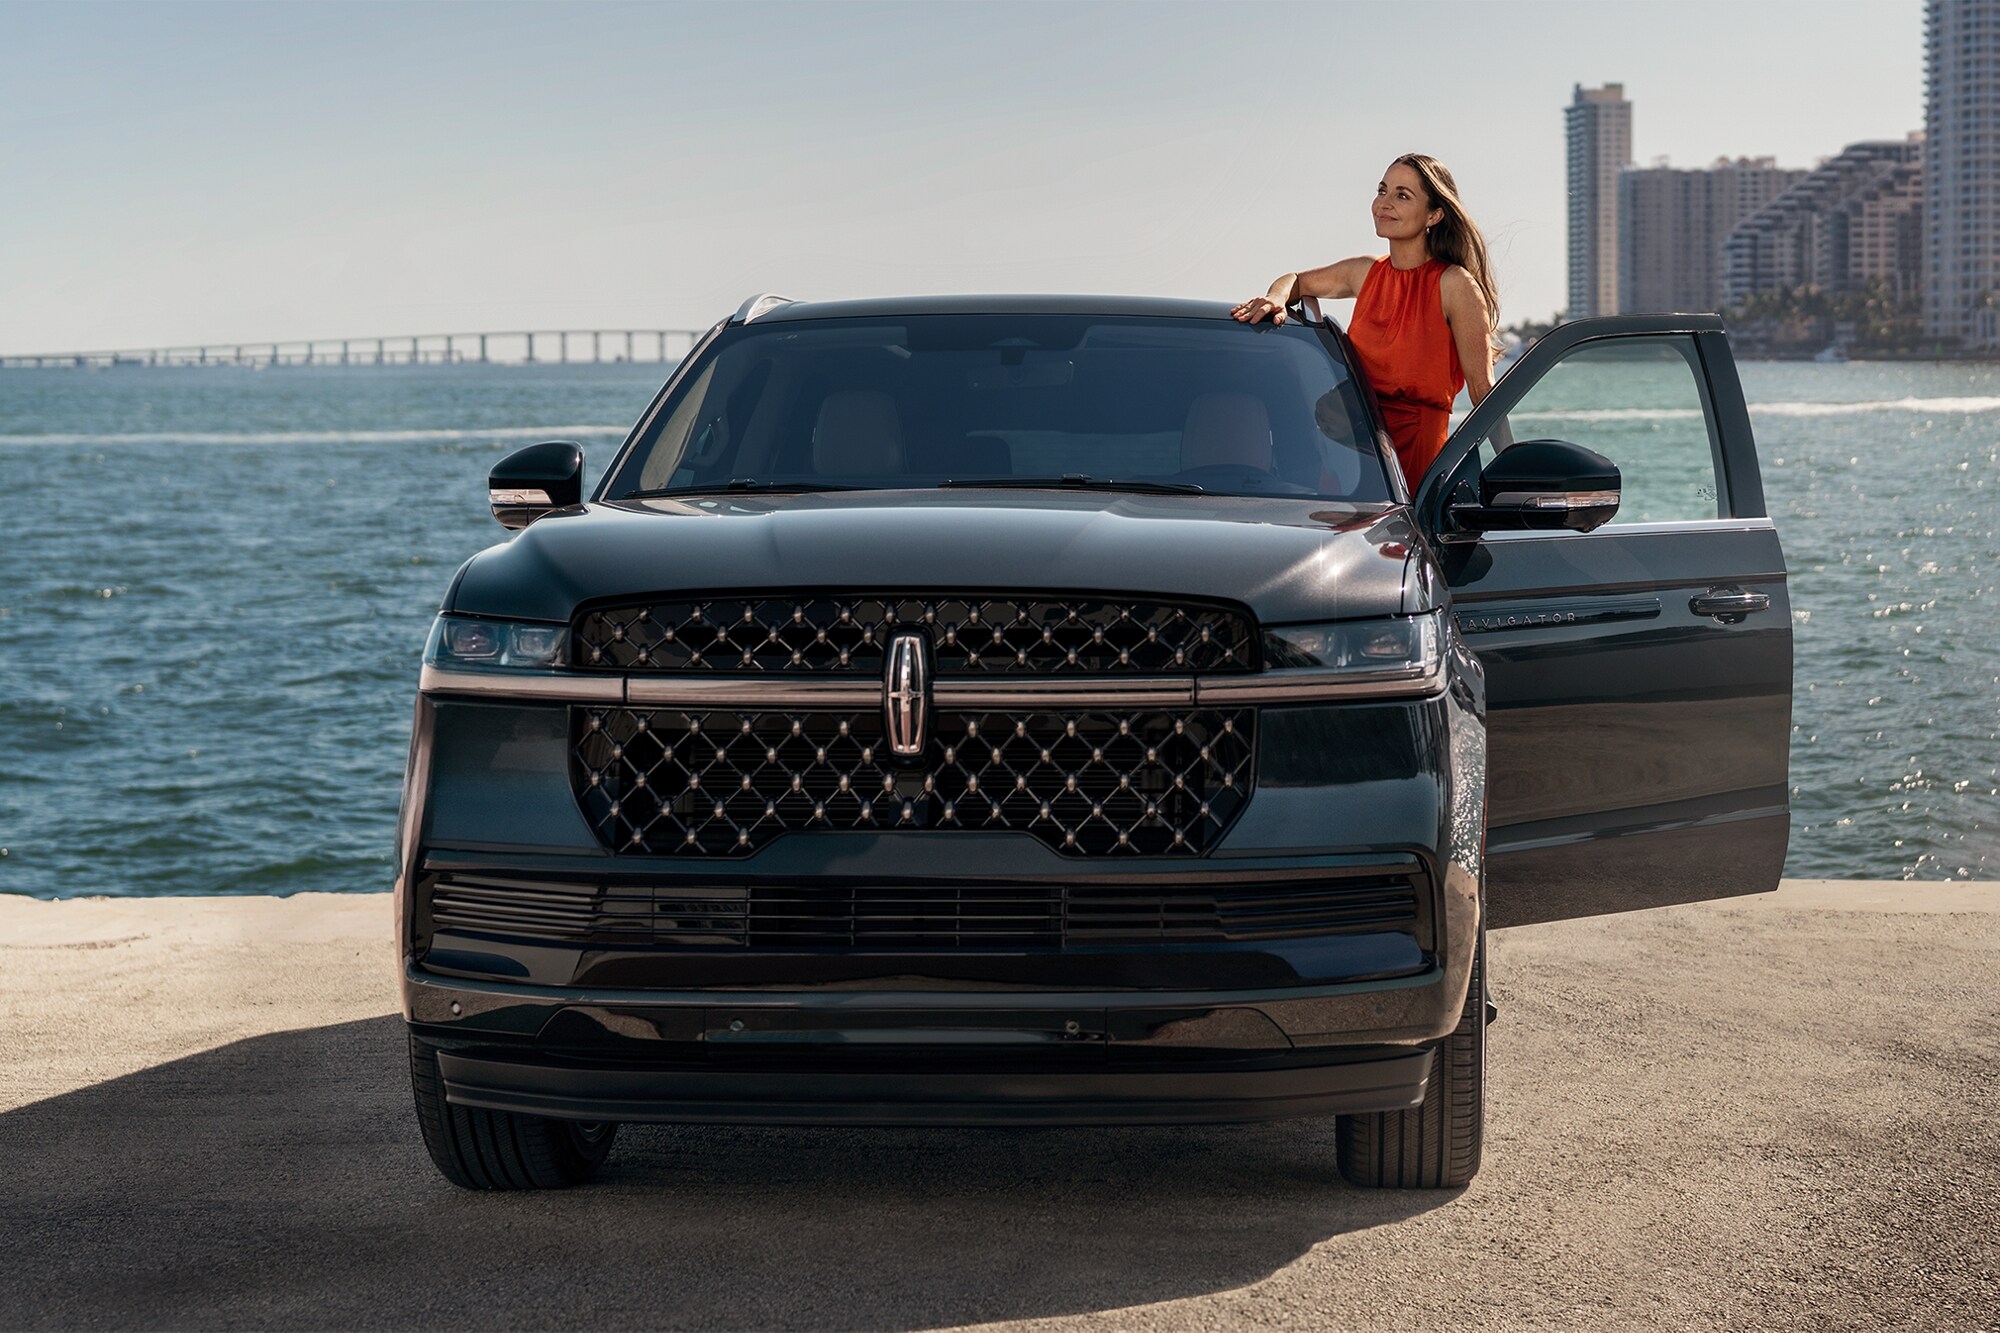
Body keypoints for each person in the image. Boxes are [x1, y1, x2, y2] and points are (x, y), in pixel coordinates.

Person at [1232, 153, 1501, 491]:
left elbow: (1483, 389)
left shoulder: (1455, 284)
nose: (1384, 203)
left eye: (1402, 195)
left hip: (1416, 460)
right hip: (1354, 451)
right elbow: (1296, 280)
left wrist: (1517, 466)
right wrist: (1275, 297)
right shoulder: (1365, 272)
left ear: (1434, 214)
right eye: (1382, 190)